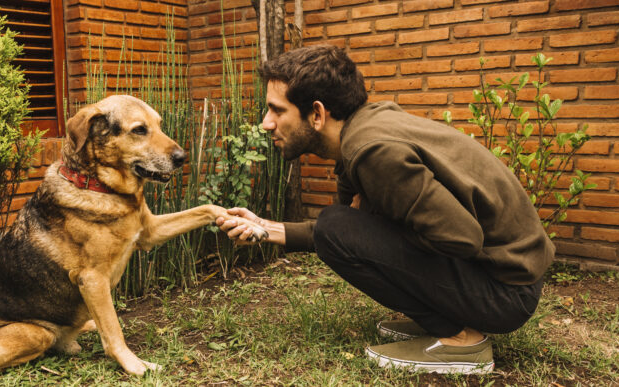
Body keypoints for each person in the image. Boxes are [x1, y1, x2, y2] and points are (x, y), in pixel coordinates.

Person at [216, 45, 554, 375]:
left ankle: (461, 340)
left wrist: (376, 215)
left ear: (317, 114)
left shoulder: (372, 151)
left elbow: (462, 238)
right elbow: (346, 229)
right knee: (338, 224)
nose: (266, 123)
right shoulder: (363, 129)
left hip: (506, 293)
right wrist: (267, 228)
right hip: (505, 277)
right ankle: (450, 320)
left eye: (277, 110)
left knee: (336, 225)